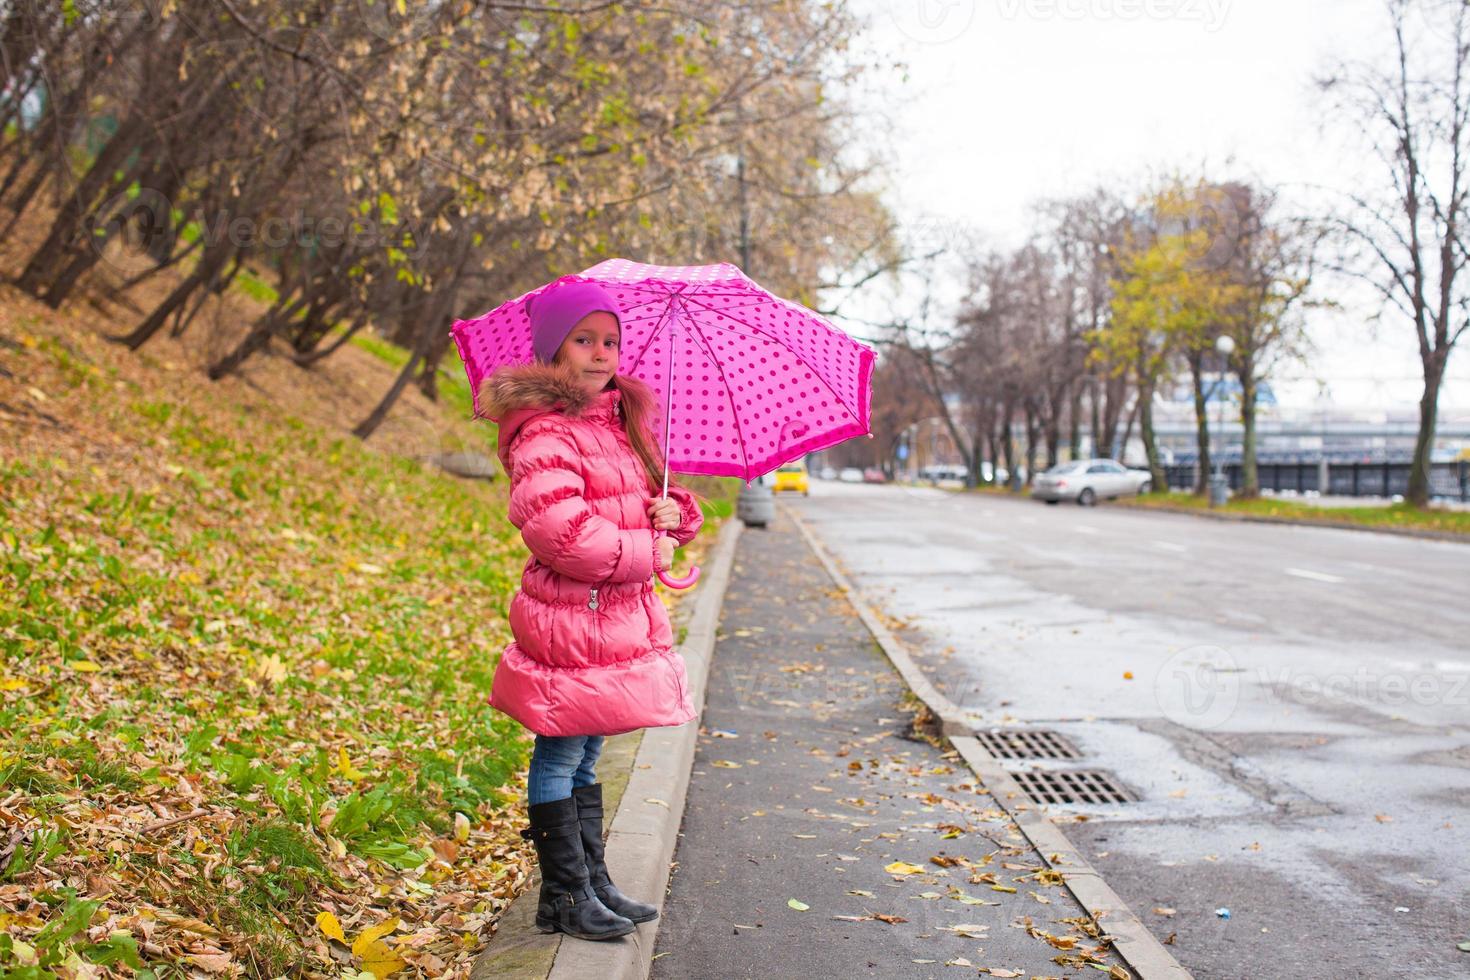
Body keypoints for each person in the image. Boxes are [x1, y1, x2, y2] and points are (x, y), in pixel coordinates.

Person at [479, 279, 703, 941]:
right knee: (559, 753)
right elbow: (565, 534)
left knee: (586, 753)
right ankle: (565, 895)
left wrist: (675, 515)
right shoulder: (544, 432)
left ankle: (591, 880)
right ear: (555, 348)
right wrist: (651, 548)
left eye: (611, 340)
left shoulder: (616, 423)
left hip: (615, 617)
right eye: (585, 339)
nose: (602, 352)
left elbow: (645, 512)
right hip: (571, 616)